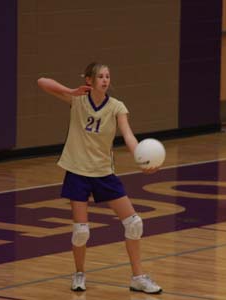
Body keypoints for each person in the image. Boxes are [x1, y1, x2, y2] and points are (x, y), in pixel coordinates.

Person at [37, 62, 162, 294]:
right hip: (77, 171)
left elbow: (128, 135)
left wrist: (141, 158)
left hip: (104, 172)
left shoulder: (116, 107)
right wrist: (70, 91)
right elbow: (42, 82)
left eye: (108, 76)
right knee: (81, 230)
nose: (105, 80)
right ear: (89, 80)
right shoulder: (77, 101)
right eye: (101, 76)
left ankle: (138, 277)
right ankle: (79, 274)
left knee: (134, 224)